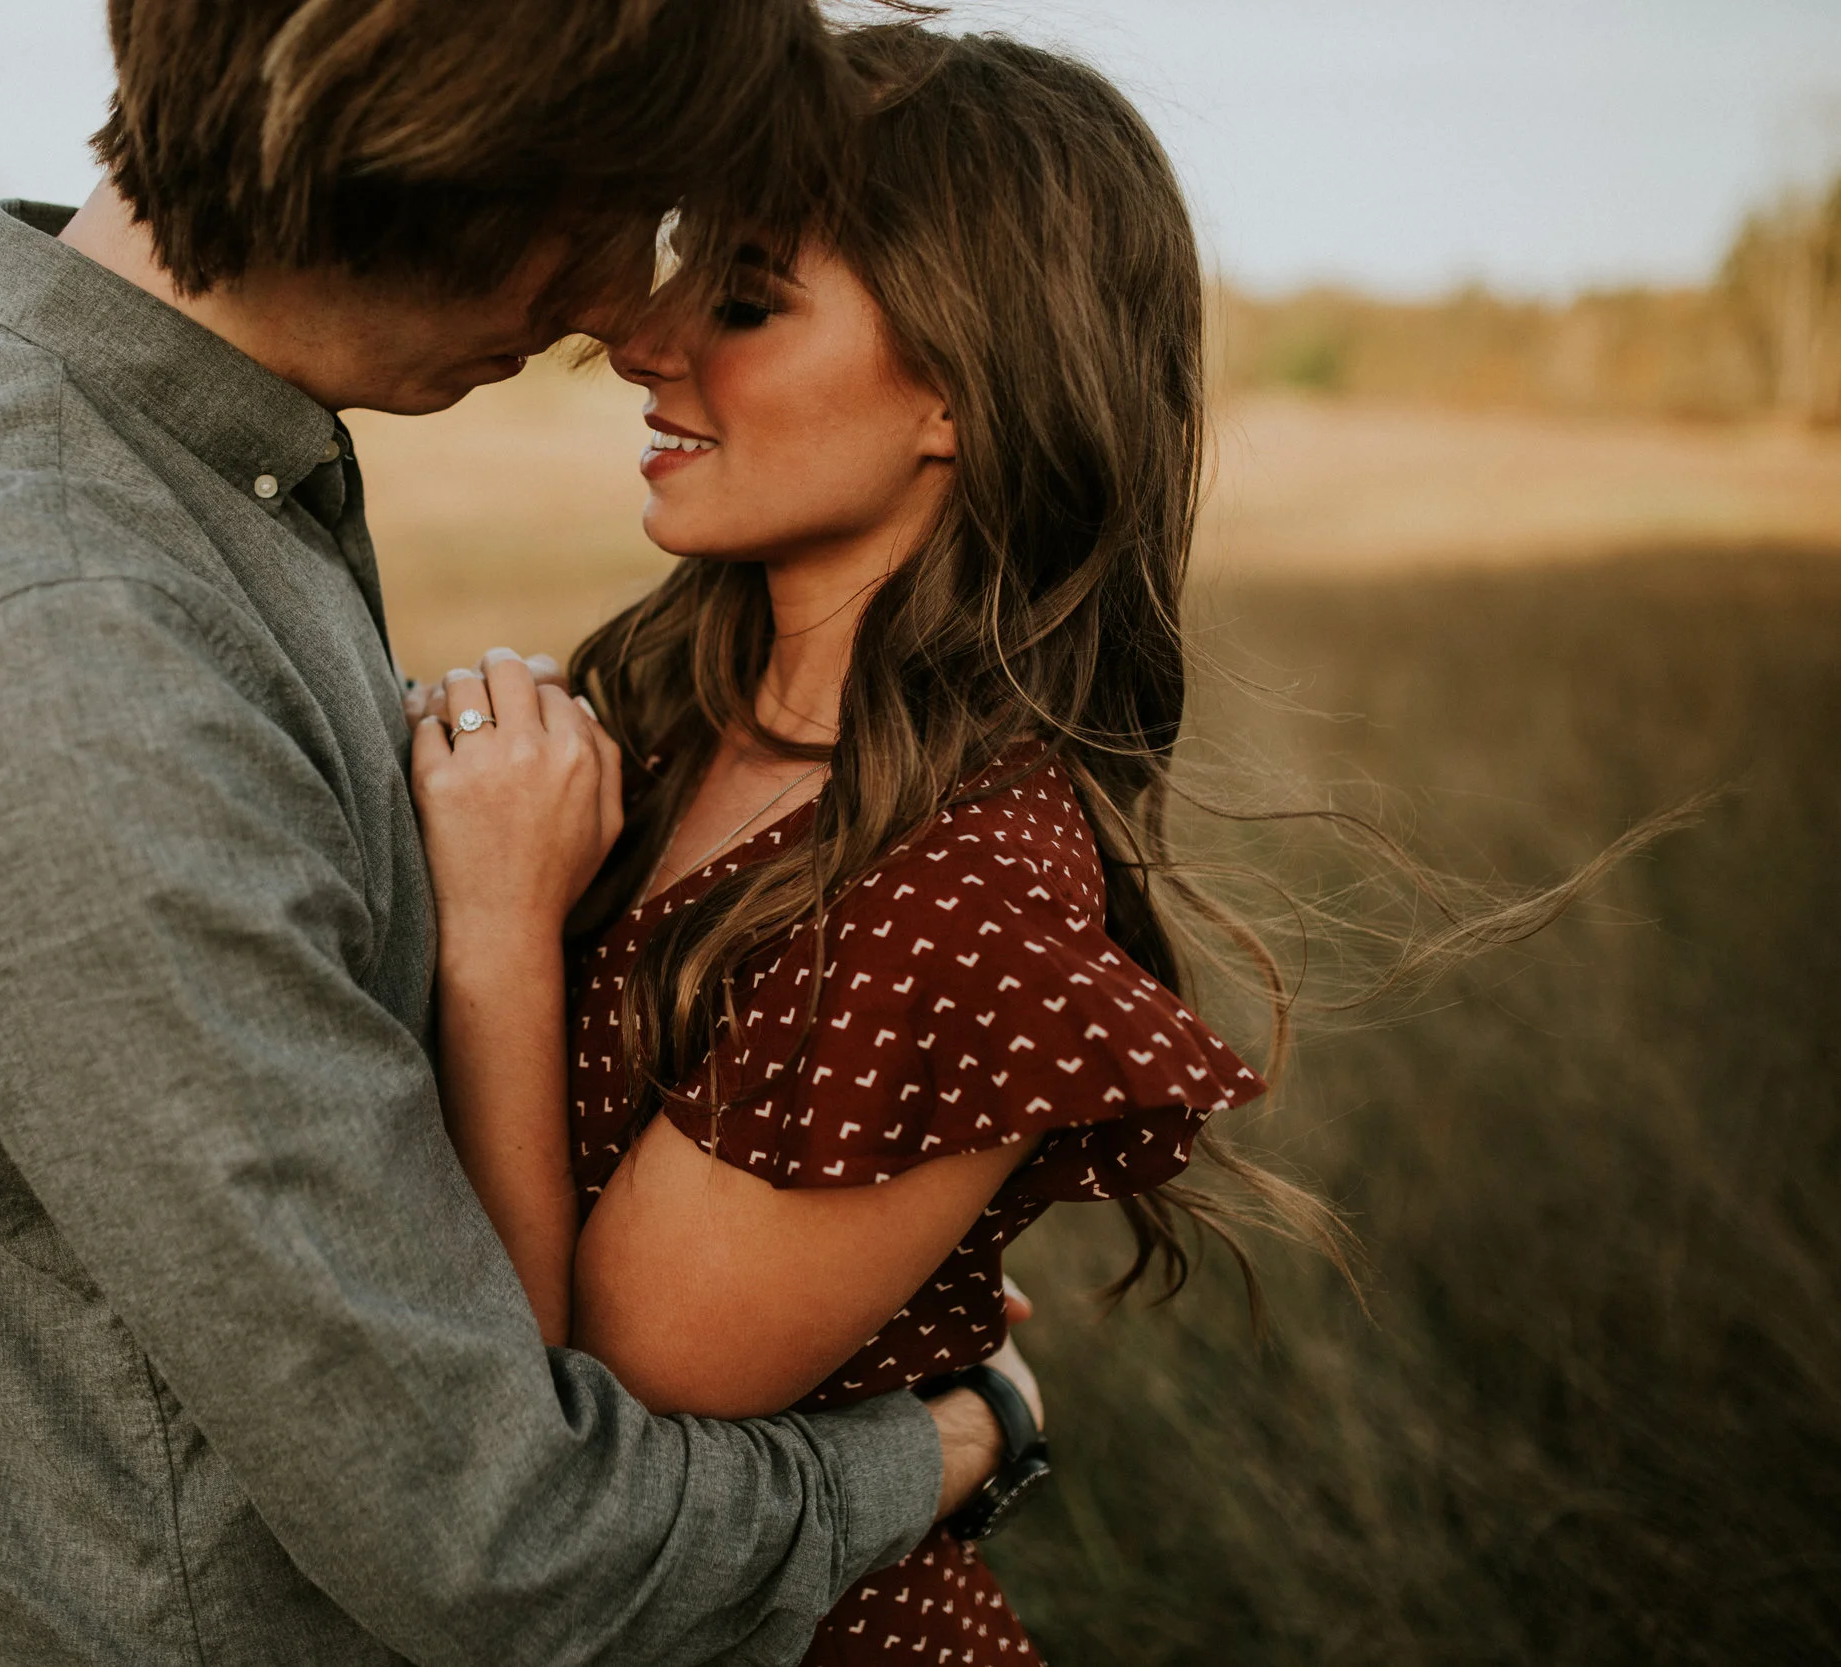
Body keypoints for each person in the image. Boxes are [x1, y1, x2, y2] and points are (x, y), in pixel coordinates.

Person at [0, 4, 1031, 1664]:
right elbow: (497, 1545)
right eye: (596, 222)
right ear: (416, 157)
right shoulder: (67, 648)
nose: (612, 315)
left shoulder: (185, 484)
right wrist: (946, 1438)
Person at [413, 27, 1299, 1665]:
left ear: (965, 388)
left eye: (746, 299)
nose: (646, 340)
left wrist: (493, 934)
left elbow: (568, 1437)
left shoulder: (961, 907)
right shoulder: (659, 713)